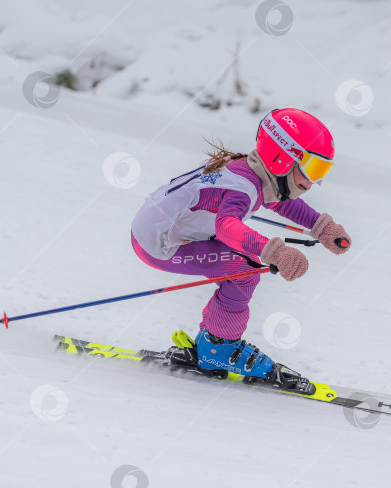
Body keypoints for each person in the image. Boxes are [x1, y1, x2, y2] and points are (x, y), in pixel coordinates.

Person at [130, 108, 351, 393]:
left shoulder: (251, 170)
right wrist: (274, 252)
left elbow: (278, 200)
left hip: (163, 230)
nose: (313, 182)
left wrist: (321, 227)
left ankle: (212, 343)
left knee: (243, 266)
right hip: (159, 243)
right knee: (244, 270)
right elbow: (226, 227)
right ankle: (217, 350)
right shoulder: (242, 187)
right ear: (282, 157)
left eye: (322, 171)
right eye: (312, 169)